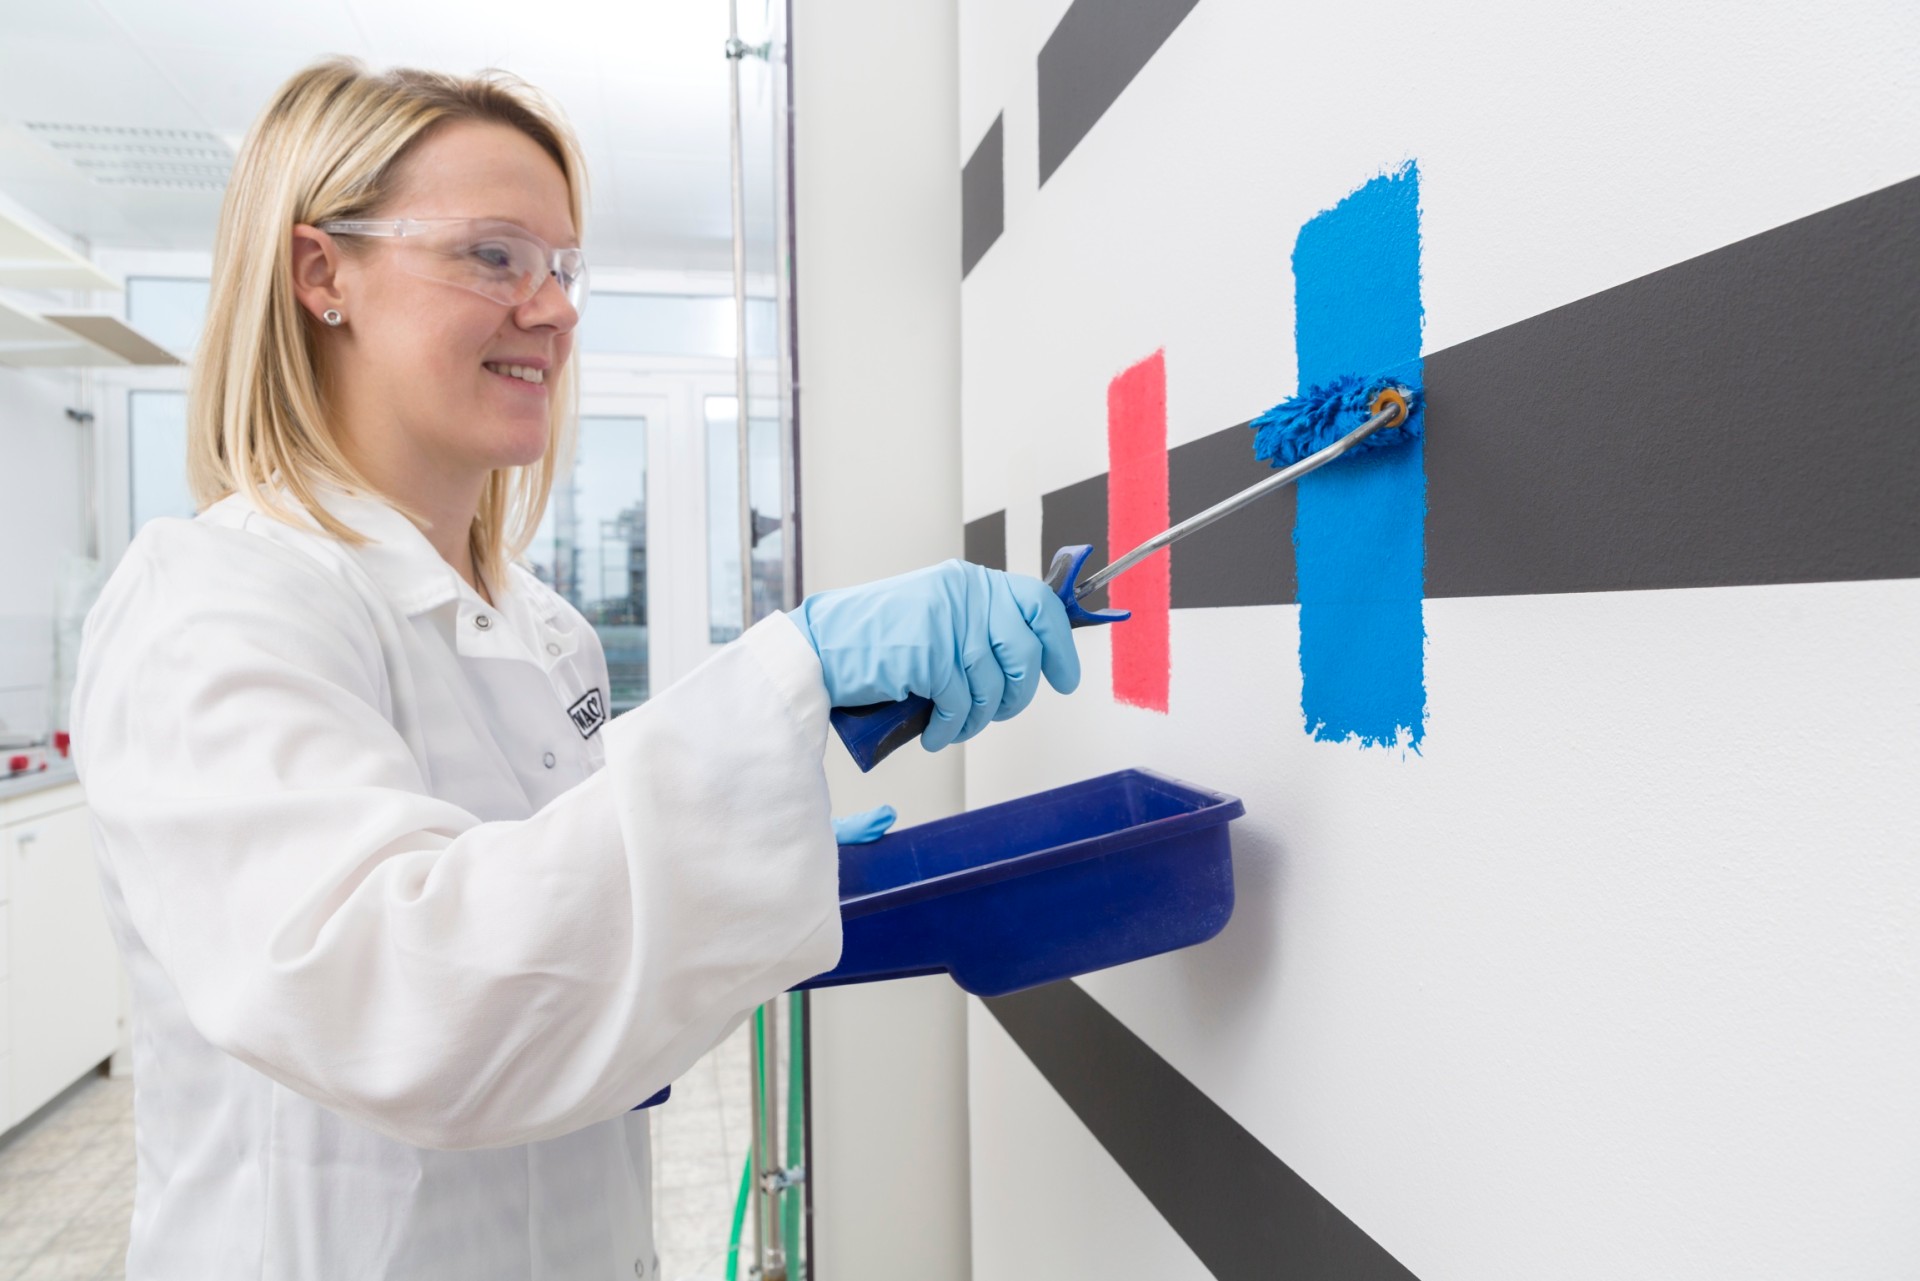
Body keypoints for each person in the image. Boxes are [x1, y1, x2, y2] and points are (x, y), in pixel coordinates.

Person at [69, 58, 1077, 1280]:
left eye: (562, 266)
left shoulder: (546, 630)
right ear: (319, 273)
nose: (552, 308)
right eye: (494, 256)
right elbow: (413, 1004)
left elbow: (560, 937)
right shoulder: (218, 603)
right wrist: (786, 675)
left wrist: (759, 853)